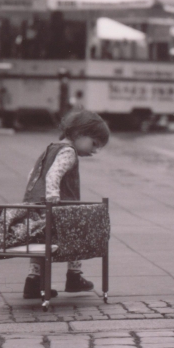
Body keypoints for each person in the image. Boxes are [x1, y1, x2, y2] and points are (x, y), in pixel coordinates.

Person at [22, 109, 110, 299]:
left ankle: (34, 281)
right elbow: (54, 175)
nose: (94, 150)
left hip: (36, 205)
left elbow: (33, 174)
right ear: (79, 133)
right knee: (78, 234)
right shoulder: (68, 152)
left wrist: (34, 197)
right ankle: (74, 276)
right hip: (56, 207)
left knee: (40, 243)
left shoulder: (51, 147)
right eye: (93, 144)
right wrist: (52, 198)